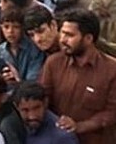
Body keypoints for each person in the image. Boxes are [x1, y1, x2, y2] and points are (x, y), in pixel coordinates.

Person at [39, 9, 116, 144]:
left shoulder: (111, 69)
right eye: (62, 33)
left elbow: (112, 112)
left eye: (69, 35)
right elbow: (43, 97)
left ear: (88, 39)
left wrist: (79, 126)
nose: (62, 40)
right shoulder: (53, 62)